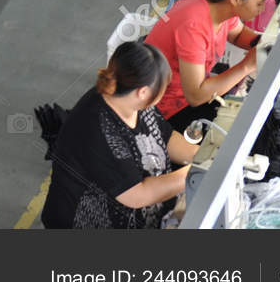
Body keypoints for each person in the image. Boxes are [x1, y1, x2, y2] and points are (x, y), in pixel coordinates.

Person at [41, 41, 199, 229]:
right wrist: (196, 172)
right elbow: (138, 194)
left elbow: (165, 136)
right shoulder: (97, 129)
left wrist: (201, 155)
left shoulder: (128, 97)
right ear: (143, 92)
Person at [144, 0, 266, 129]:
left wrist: (263, 43)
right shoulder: (193, 26)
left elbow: (237, 34)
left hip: (189, 94)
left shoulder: (216, 1)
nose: (262, 9)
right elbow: (195, 95)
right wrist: (246, 66)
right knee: (239, 125)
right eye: (259, 3)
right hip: (164, 109)